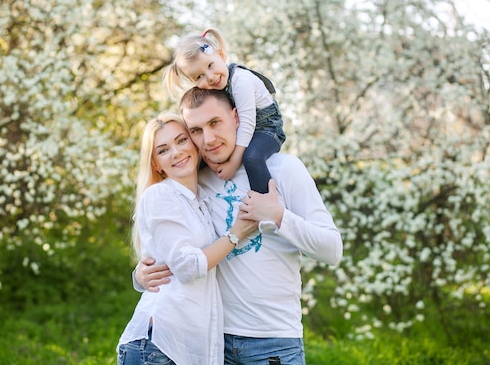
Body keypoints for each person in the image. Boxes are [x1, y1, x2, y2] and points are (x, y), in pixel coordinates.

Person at [135, 88, 343, 365]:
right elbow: (175, 244)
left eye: (215, 123)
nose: (208, 139)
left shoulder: (283, 169)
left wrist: (279, 216)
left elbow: (332, 250)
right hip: (211, 342)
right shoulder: (197, 180)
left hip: (273, 341)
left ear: (236, 117)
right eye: (196, 130)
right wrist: (140, 276)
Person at [116, 112, 259, 365]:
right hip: (159, 346)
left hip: (185, 349)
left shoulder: (201, 198)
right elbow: (187, 266)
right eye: (163, 150)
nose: (176, 152)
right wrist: (237, 233)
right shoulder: (160, 195)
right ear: (156, 164)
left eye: (181, 140)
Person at [162, 28, 286, 194]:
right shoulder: (217, 85)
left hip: (267, 128)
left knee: (252, 158)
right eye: (199, 77)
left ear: (221, 55)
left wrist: (233, 163)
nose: (210, 77)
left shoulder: (241, 81)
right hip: (244, 129)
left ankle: (263, 201)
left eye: (210, 66)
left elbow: (248, 124)